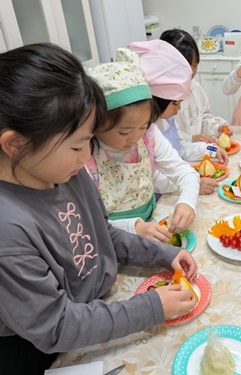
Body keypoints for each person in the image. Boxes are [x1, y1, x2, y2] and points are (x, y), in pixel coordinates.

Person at [0, 43, 198, 374]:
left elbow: (101, 233)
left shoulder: (65, 172)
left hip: (96, 312)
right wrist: (149, 308)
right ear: (15, 145)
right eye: (77, 145)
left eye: (90, 142)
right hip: (42, 351)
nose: (85, 156)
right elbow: (55, 325)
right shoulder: (9, 228)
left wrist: (160, 255)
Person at [85, 47, 200, 242]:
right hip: (111, 240)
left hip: (152, 226)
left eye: (142, 126)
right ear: (96, 124)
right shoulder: (85, 156)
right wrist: (134, 227)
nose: (135, 138)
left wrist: (187, 202)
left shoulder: (149, 135)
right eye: (124, 132)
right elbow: (87, 222)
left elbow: (185, 172)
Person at [129, 39, 227, 196]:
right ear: (158, 101)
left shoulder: (167, 121)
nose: (179, 108)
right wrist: (193, 184)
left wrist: (212, 149)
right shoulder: (144, 132)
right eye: (175, 103)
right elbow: (155, 179)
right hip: (165, 192)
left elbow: (183, 148)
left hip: (180, 184)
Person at [160, 28, 234, 144]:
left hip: (197, 152)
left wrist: (216, 128)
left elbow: (204, 118)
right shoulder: (161, 97)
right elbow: (164, 136)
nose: (191, 72)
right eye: (185, 66)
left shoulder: (195, 87)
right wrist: (191, 139)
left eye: (194, 65)